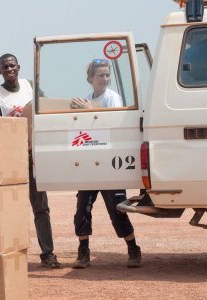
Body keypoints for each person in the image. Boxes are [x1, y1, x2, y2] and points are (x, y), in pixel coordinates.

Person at [0, 53, 60, 268]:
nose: (9, 70)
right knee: (7, 207)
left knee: (40, 207)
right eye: (4, 67)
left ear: (18, 67)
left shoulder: (30, 86)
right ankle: (7, 253)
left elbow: (45, 109)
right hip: (10, 156)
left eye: (12, 66)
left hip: (32, 154)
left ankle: (48, 253)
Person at [70, 59, 141, 269]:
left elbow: (114, 126)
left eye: (107, 75)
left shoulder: (113, 98)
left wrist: (90, 110)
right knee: (82, 210)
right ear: (90, 78)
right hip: (90, 163)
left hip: (110, 163)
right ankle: (83, 252)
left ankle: (133, 249)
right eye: (100, 75)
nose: (105, 79)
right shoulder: (85, 99)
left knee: (117, 210)